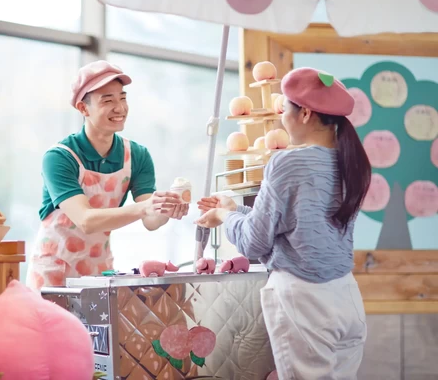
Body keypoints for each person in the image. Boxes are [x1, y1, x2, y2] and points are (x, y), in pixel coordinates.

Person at [196, 67, 371, 379]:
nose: (281, 119)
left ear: (304, 113)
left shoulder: (287, 161)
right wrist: (237, 209)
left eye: (285, 109)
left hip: (303, 299)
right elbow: (299, 224)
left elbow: (253, 242)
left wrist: (225, 215)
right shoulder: (352, 162)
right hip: (346, 296)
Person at [27, 60, 189, 289]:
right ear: (83, 109)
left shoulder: (137, 156)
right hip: (53, 271)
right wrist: (146, 207)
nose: (120, 108)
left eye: (122, 98)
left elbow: (150, 222)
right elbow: (85, 220)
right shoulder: (59, 157)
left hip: (98, 270)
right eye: (108, 100)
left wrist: (166, 208)